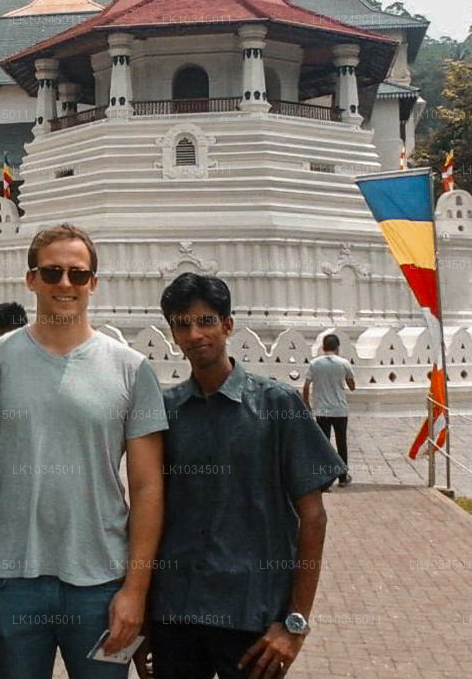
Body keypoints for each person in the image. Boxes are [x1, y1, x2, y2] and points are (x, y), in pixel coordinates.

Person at [0, 224, 167, 679]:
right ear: (31, 280)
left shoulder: (130, 369)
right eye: (51, 273)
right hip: (10, 578)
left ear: (93, 283)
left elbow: (147, 488)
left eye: (77, 274)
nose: (65, 284)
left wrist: (136, 591)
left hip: (102, 583)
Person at [148, 273, 344, 679]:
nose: (195, 334)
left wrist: (295, 623)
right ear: (172, 333)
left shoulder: (277, 406)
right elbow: (149, 513)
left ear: (228, 325)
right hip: (176, 612)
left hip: (253, 618)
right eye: (182, 325)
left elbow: (314, 516)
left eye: (206, 321)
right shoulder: (165, 412)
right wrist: (143, 614)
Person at [303, 333, 356, 488]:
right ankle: (342, 477)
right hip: (339, 410)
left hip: (321, 410)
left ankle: (324, 481)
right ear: (337, 348)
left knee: (323, 444)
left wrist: (306, 403)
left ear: (323, 347)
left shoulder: (314, 363)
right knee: (341, 443)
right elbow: (352, 386)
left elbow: (306, 386)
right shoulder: (344, 363)